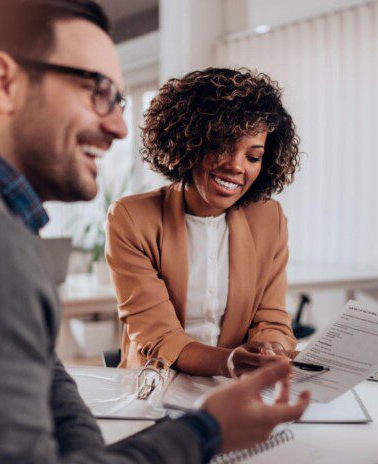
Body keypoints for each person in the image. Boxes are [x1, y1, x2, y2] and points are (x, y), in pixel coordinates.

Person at [0, 1, 309, 464]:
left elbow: (47, 374)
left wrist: (94, 457)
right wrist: (207, 433)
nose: (120, 128)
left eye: (118, 101)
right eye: (96, 92)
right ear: (2, 81)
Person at [106, 68, 301, 377]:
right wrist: (229, 362)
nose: (236, 167)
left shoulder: (269, 219)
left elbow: (271, 319)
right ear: (190, 143)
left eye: (253, 157)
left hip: (233, 388)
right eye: (223, 146)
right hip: (153, 385)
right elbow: (158, 337)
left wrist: (270, 350)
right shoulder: (132, 218)